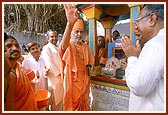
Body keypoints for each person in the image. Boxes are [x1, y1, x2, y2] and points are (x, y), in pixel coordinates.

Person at [121, 4, 164, 111]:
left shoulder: (155, 45)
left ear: (152, 19)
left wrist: (132, 57)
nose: (135, 27)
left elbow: (138, 86)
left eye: (138, 21)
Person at [59, 4, 94, 111]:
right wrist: (70, 24)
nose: (79, 34)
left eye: (81, 32)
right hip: (73, 85)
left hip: (84, 84)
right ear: (71, 33)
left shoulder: (85, 47)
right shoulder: (68, 45)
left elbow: (90, 64)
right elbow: (62, 47)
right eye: (76, 32)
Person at [4, 35, 38, 111]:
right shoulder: (8, 76)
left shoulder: (19, 66)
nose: (15, 48)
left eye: (16, 45)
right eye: (9, 46)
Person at [41, 29, 64, 111]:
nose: (54, 38)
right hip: (55, 78)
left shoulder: (58, 47)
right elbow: (49, 63)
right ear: (48, 38)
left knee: (62, 100)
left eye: (55, 36)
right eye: (51, 36)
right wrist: (59, 73)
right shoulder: (46, 48)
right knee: (56, 101)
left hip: (62, 76)